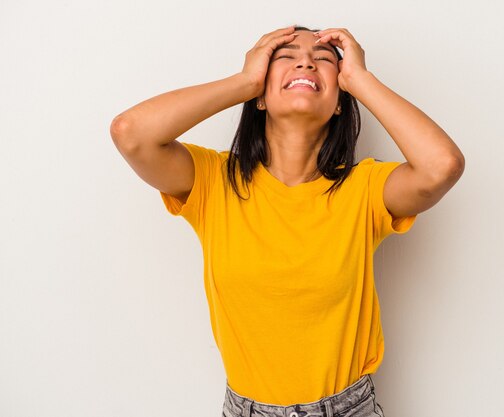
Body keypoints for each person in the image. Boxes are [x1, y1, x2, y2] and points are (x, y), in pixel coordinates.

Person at [110, 25, 464, 417]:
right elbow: (131, 133)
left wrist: (361, 80)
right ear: (260, 95)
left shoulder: (364, 189)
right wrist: (244, 81)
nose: (306, 61)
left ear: (341, 100)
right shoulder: (215, 181)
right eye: (285, 55)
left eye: (325, 59)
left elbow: (441, 166)